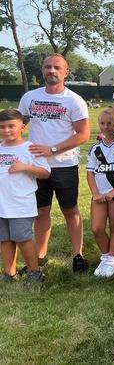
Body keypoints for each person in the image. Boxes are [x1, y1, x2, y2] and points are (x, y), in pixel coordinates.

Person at [18, 53, 91, 273]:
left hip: (64, 165)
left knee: (70, 210)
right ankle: (40, 256)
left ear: (66, 71)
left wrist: (53, 149)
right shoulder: (29, 97)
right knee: (41, 211)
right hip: (36, 166)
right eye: (48, 67)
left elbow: (83, 134)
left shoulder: (74, 100)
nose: (52, 71)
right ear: (42, 70)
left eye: (57, 67)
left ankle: (78, 255)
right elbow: (17, 126)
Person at [0, 109, 50, 285]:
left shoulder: (30, 148)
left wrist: (25, 167)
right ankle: (9, 273)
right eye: (2, 127)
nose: (6, 130)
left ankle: (34, 272)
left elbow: (45, 172)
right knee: (4, 239)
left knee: (22, 238)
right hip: (2, 204)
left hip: (20, 204)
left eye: (11, 126)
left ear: (22, 126)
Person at [86, 109, 114, 278]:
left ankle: (112, 258)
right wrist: (96, 193)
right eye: (102, 123)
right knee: (97, 228)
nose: (106, 127)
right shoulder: (95, 148)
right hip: (100, 193)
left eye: (110, 123)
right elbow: (90, 173)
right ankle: (105, 257)